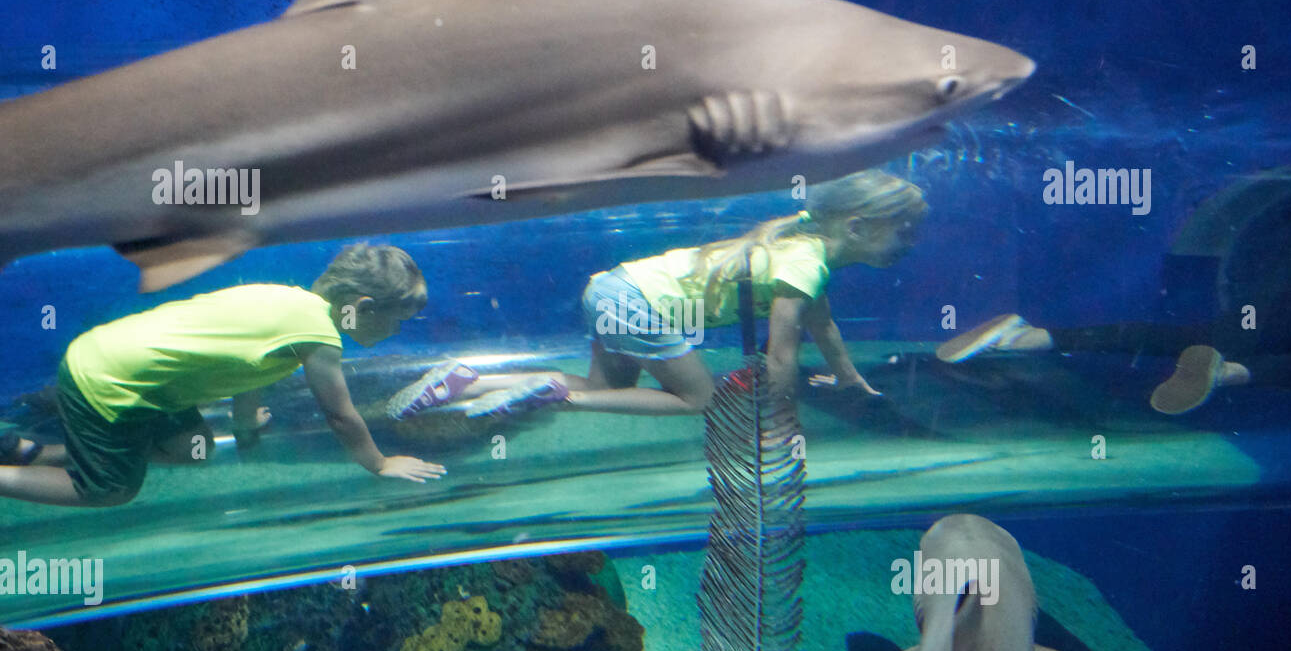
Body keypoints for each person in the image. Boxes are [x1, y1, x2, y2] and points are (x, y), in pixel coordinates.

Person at [385, 169, 927, 420]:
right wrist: (778, 423)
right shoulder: (805, 262)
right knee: (700, 399)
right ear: (855, 227)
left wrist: (852, 378)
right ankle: (555, 395)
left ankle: (468, 378)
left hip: (611, 287)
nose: (910, 244)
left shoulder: (804, 246)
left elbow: (821, 326)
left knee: (608, 384)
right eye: (902, 231)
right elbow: (782, 350)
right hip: (637, 305)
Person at [0, 243, 446, 507]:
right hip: (109, 384)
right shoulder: (320, 337)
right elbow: (340, 416)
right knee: (111, 489)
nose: (396, 332)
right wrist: (380, 463)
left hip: (128, 372)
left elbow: (251, 369)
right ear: (363, 307)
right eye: (397, 320)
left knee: (193, 449)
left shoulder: (288, 301)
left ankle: (31, 451)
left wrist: (244, 422)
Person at [935, 167, 1291, 414]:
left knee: (1192, 335)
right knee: (1234, 343)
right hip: (1279, 310)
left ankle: (1027, 336)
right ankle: (1227, 373)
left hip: (1271, 291)